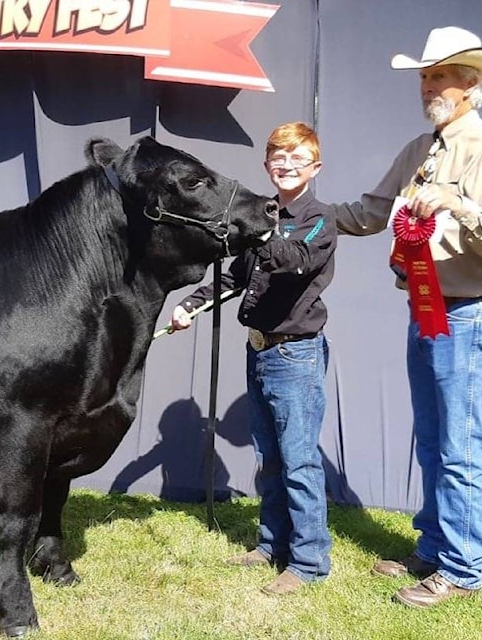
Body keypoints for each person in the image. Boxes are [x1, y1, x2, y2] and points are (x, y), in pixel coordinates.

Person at [332, 26, 482, 608]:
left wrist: (458, 204)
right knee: (435, 441)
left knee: (459, 445)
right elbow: (369, 211)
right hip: (427, 310)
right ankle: (436, 546)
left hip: (467, 315)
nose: (427, 85)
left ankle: (463, 571)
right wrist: (305, 215)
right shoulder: (421, 150)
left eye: (438, 74)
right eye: (424, 75)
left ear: (471, 85)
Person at [169, 122, 336, 595]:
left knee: (299, 460)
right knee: (269, 457)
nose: (286, 167)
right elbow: (235, 279)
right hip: (258, 349)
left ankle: (308, 561)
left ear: (314, 168)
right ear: (267, 165)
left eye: (297, 160)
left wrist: (255, 229)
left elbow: (293, 258)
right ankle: (270, 544)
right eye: (278, 159)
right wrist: (191, 304)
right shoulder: (265, 215)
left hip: (296, 356)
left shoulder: (319, 218)